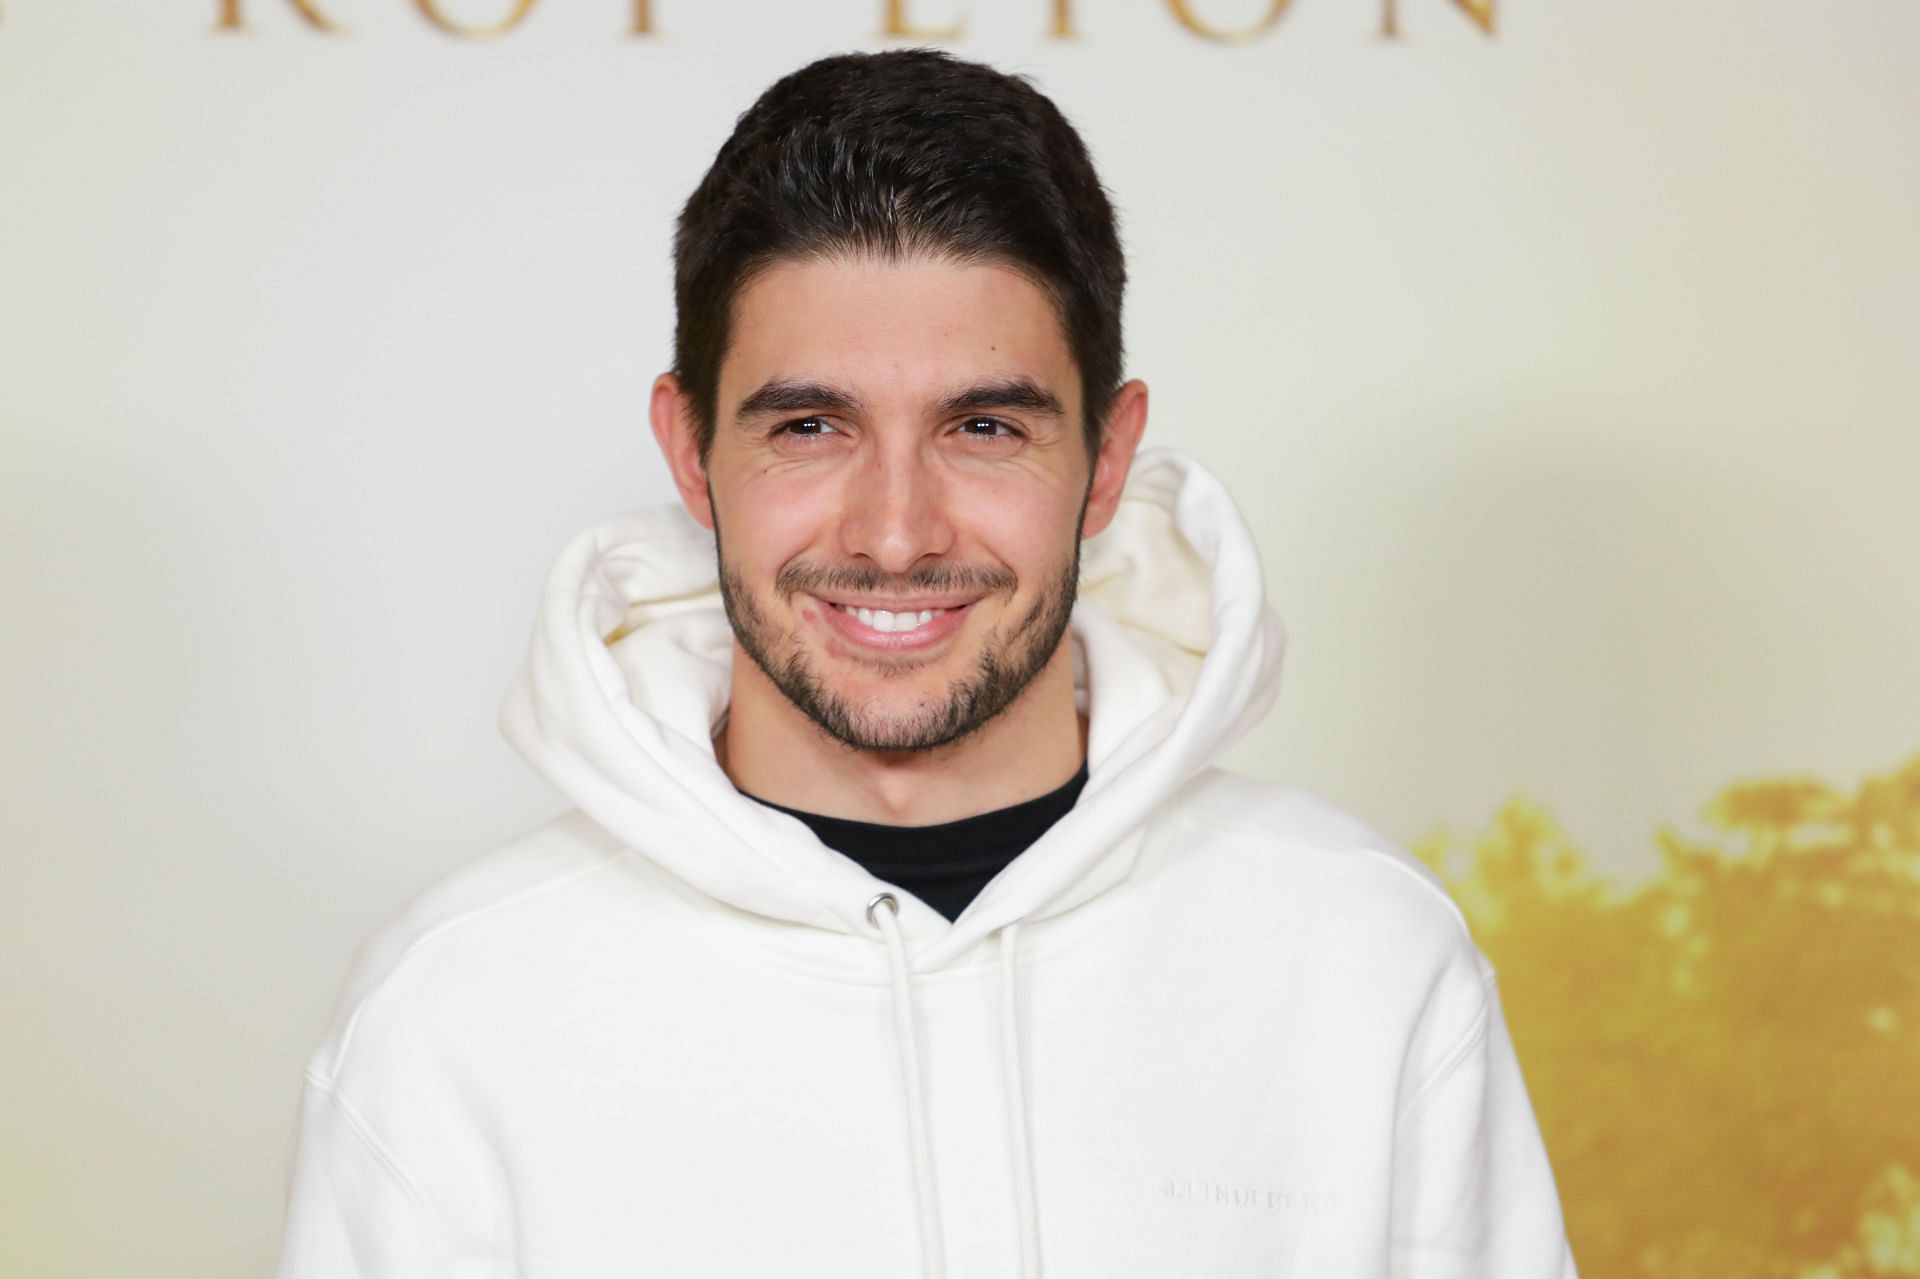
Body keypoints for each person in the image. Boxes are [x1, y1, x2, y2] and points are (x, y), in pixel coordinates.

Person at [275, 48, 1576, 1279]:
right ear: (690, 454)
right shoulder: (456, 1014)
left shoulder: (1359, 958)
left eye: (985, 425)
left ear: (1109, 459)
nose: (895, 534)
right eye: (811, 425)